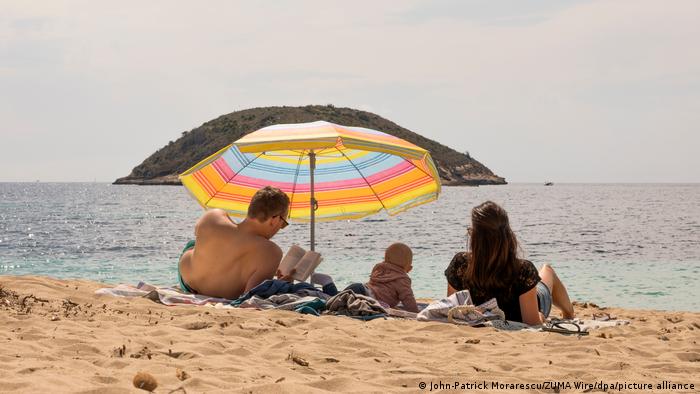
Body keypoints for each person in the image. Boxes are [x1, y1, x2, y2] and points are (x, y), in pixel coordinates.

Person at [444, 201, 574, 325]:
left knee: (545, 272)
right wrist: (540, 316)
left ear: (475, 236)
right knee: (547, 271)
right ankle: (569, 313)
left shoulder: (460, 264)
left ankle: (568, 313)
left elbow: (453, 310)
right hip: (532, 304)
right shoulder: (524, 269)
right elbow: (532, 323)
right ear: (507, 235)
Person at [177, 186, 290, 299]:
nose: (280, 228)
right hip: (220, 293)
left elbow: (199, 233)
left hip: (187, 281)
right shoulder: (271, 251)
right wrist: (280, 284)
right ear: (274, 220)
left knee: (195, 244)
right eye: (283, 224)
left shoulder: (213, 216)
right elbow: (251, 296)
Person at [340, 243, 419, 312]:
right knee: (342, 301)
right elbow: (408, 298)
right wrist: (415, 311)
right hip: (367, 297)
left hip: (360, 287)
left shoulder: (380, 268)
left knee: (338, 300)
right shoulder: (402, 278)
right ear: (409, 267)